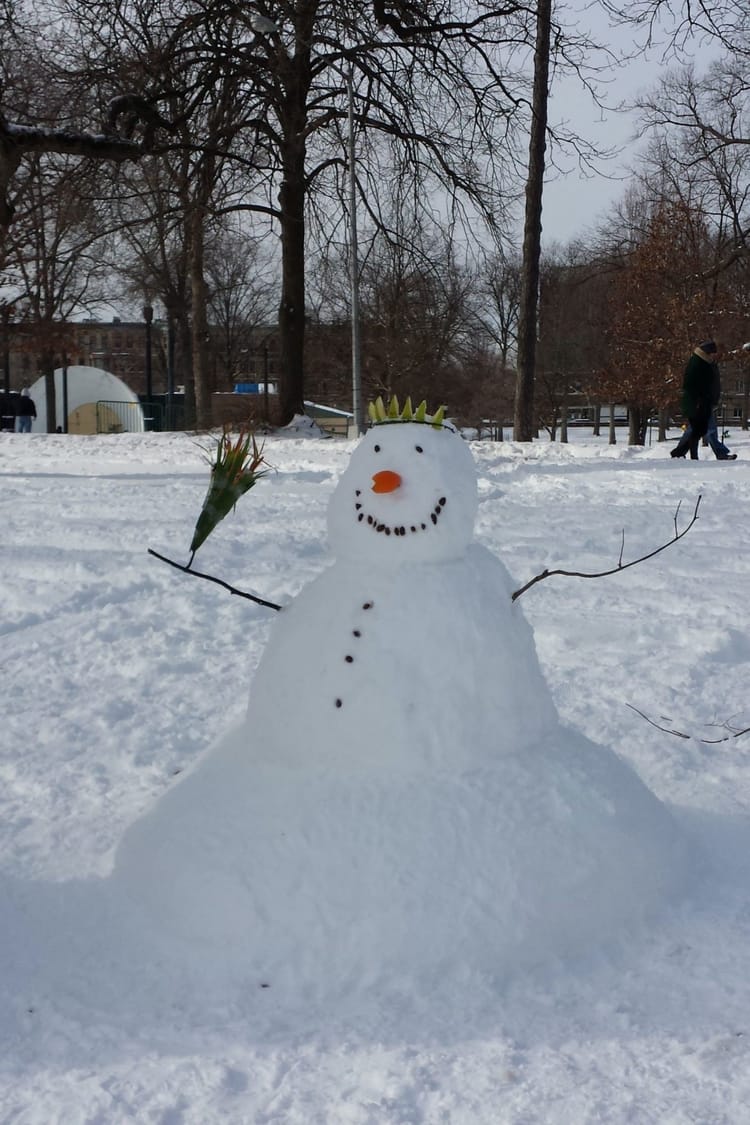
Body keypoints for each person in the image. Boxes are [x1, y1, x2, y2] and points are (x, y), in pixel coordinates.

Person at [670, 341, 722, 460]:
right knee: (700, 429)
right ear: (707, 353)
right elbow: (690, 384)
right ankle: (681, 452)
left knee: (697, 430)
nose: (714, 355)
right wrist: (699, 399)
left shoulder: (706, 363)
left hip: (703, 401)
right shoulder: (699, 363)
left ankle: (681, 452)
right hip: (698, 403)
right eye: (713, 353)